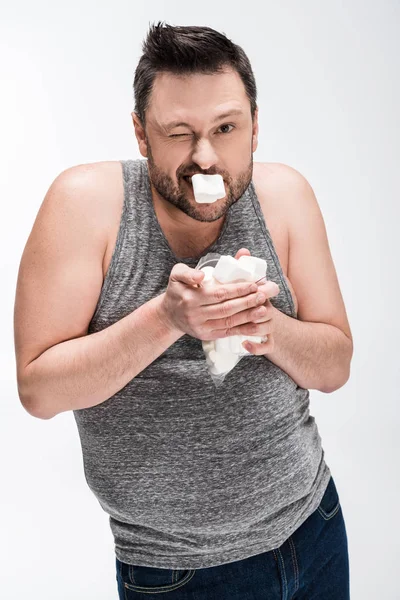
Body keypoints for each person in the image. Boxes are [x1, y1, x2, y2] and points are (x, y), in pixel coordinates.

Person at [14, 22, 353, 600]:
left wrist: (262, 325)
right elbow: (38, 391)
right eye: (179, 133)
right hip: (176, 572)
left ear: (254, 128)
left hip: (312, 529)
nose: (206, 157)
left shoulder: (286, 196)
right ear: (142, 134)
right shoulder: (83, 206)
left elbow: (336, 364)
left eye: (226, 128)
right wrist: (168, 319)